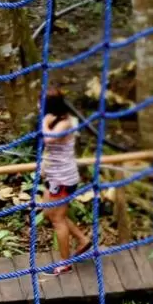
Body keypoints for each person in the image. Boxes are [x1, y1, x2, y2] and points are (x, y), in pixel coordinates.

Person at [41, 90, 91, 275]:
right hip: (52, 177)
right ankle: (82, 239)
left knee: (58, 219)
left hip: (62, 179)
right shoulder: (55, 120)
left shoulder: (65, 122)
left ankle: (65, 263)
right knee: (48, 213)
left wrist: (44, 122)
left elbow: (49, 138)